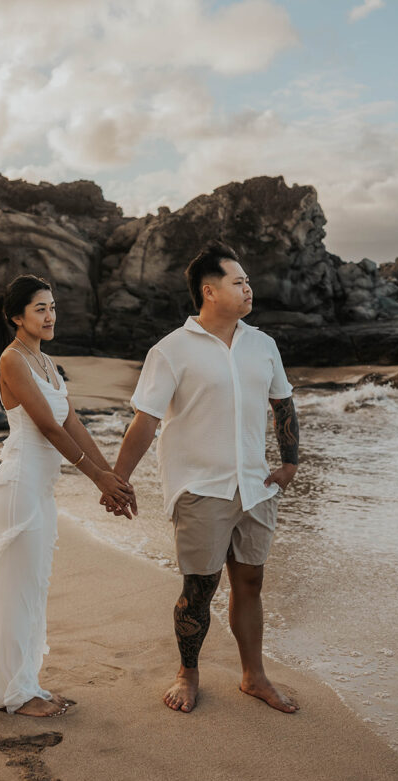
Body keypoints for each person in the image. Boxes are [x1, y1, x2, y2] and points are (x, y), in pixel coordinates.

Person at [108, 240, 299, 714]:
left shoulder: (263, 344)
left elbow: (284, 404)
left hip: (255, 486)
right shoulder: (171, 350)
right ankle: (187, 673)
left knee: (250, 582)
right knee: (199, 588)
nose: (248, 288)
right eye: (239, 282)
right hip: (200, 487)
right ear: (210, 292)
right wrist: (117, 479)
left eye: (248, 280)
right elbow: (146, 420)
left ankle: (253, 676)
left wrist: (290, 462)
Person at [0, 274, 136, 718]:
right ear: (17, 316)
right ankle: (14, 693)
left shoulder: (47, 363)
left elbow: (72, 423)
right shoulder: (13, 360)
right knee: (15, 589)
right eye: (40, 309)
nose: (50, 316)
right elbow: (48, 429)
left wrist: (113, 478)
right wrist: (97, 480)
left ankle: (20, 682)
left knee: (30, 588)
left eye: (52, 307)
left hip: (40, 488)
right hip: (19, 486)